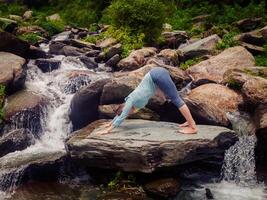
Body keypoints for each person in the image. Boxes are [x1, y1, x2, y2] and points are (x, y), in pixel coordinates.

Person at [95, 61, 197, 135]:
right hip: (156, 77)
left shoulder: (130, 101)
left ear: (126, 108)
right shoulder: (135, 106)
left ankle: (192, 127)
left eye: (127, 112)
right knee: (175, 98)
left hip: (156, 75)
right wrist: (110, 123)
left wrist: (108, 130)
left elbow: (122, 115)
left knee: (176, 100)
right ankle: (189, 121)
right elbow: (119, 114)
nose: (128, 114)